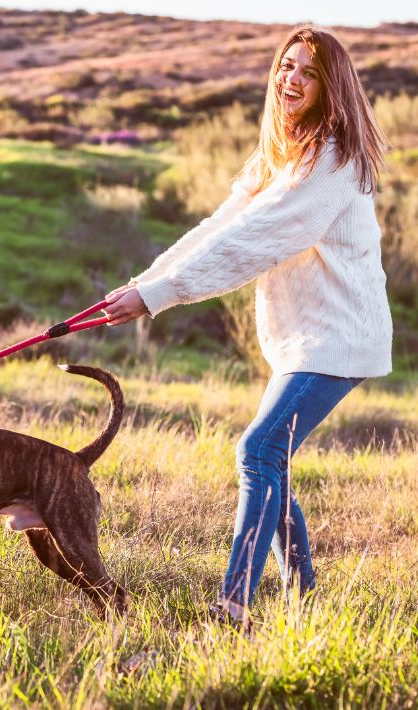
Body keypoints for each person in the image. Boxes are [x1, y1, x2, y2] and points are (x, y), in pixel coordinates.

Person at [103, 25, 392, 626]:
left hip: (339, 340)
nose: (292, 79)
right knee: (273, 459)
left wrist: (157, 298)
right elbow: (222, 228)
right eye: (287, 66)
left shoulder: (331, 162)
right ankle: (304, 595)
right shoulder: (280, 157)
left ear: (330, 87)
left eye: (309, 72)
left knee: (257, 451)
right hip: (302, 341)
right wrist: (145, 283)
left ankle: (234, 604)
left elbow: (257, 243)